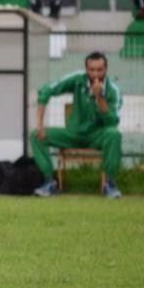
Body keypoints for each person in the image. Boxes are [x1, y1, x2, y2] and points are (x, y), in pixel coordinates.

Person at [30, 52, 123, 199]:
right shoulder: (78, 79)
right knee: (36, 135)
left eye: (99, 70)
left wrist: (99, 97)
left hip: (97, 136)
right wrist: (40, 124)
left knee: (114, 134)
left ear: (106, 69)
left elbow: (112, 122)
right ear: (86, 69)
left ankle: (109, 184)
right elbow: (46, 90)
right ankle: (49, 182)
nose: (95, 74)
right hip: (73, 134)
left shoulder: (113, 91)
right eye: (92, 70)